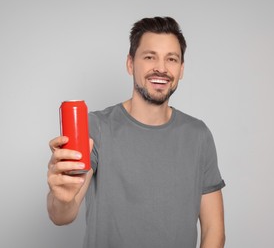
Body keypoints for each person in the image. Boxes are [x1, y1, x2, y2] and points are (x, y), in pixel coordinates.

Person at [47, 16, 226, 248]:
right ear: (130, 63)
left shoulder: (198, 135)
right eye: (150, 57)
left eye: (171, 59)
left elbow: (214, 230)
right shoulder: (97, 127)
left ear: (181, 69)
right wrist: (61, 198)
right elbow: (62, 215)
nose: (161, 68)